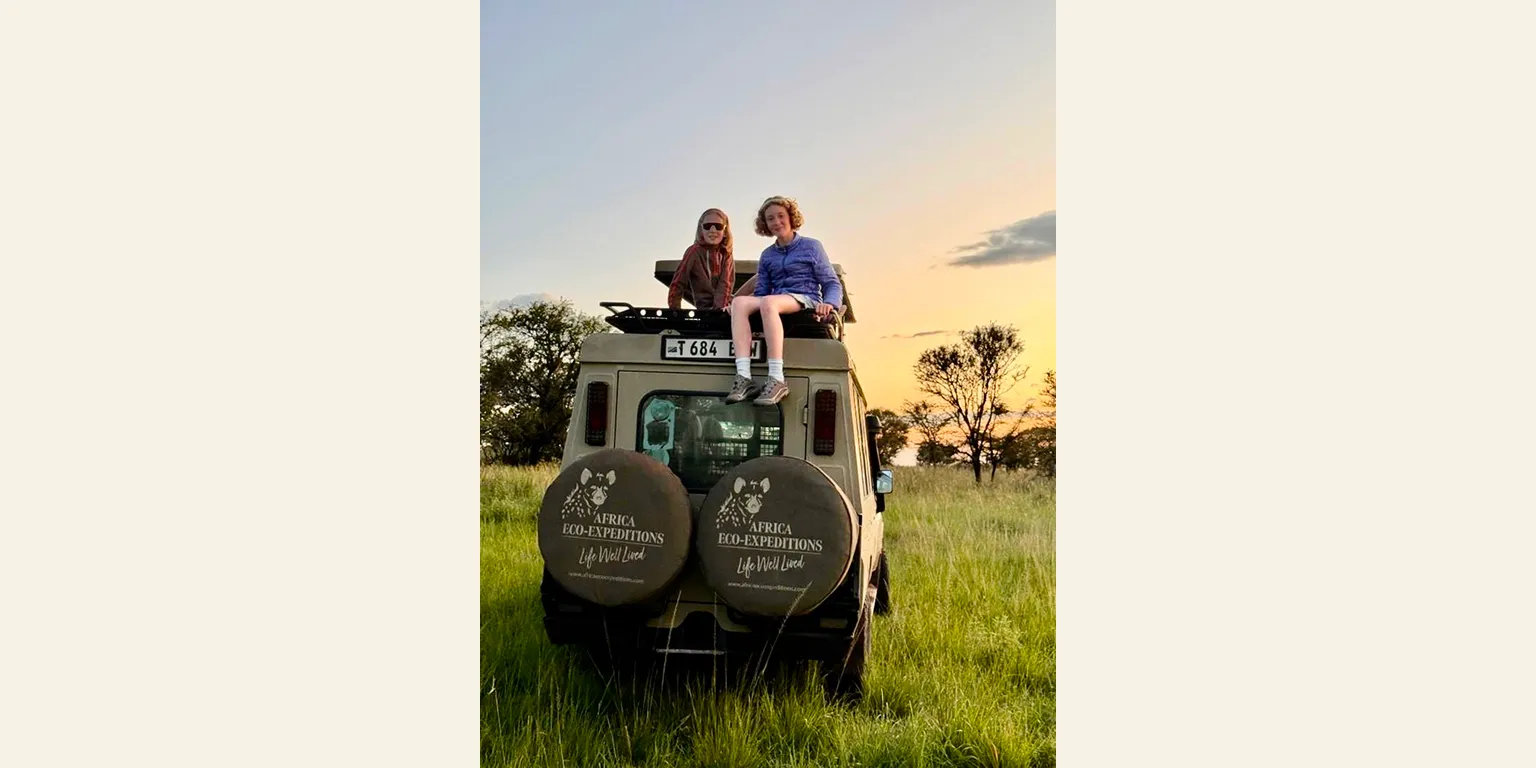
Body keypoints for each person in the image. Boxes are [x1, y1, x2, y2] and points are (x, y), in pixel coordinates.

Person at [725, 196, 842, 405]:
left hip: (805, 297)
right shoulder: (767, 255)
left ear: (791, 217)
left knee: (769, 302)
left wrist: (830, 304)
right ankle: (744, 377)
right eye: (770, 219)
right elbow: (761, 291)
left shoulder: (812, 246)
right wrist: (736, 306)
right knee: (739, 303)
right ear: (765, 224)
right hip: (775, 299)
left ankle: (777, 378)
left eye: (781, 216)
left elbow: (831, 282)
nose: (776, 222)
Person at [666, 208, 735, 311]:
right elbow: (679, 279)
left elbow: (725, 284)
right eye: (707, 226)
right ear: (701, 230)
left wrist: (718, 310)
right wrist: (675, 309)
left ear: (725, 231)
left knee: (753, 283)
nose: (713, 230)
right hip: (704, 307)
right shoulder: (694, 252)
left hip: (725, 305)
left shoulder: (726, 254)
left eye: (718, 226)